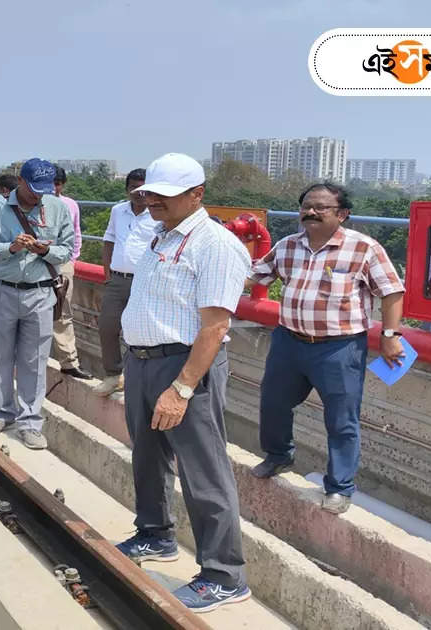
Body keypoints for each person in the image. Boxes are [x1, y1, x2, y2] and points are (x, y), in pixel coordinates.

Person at [113, 153, 251, 612]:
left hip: (184, 366)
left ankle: (224, 574)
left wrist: (183, 387)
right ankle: (155, 534)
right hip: (143, 362)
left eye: (164, 196)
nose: (153, 202)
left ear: (198, 195)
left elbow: (213, 328)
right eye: (149, 194)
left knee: (202, 470)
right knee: (147, 454)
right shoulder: (157, 235)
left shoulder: (215, 245)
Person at [250, 183, 406, 515]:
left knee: (341, 419)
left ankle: (339, 487)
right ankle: (278, 456)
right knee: (273, 402)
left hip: (339, 348)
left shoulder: (363, 248)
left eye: (322, 207)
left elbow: (391, 291)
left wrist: (390, 335)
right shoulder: (287, 246)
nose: (312, 212)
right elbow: (256, 278)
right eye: (307, 205)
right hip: (289, 341)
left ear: (342, 214)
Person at [0, 159, 74, 450]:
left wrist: (45, 249)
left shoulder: (57, 208)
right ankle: (0, 413)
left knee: (34, 360)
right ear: (20, 181)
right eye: (33, 189)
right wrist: (10, 247)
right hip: (2, 289)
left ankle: (31, 422)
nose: (38, 196)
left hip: (39, 292)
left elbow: (67, 251)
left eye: (44, 191)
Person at [94, 168, 156, 396]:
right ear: (127, 189)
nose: (139, 193)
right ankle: (113, 374)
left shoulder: (157, 215)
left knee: (140, 332)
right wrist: (107, 274)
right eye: (134, 188)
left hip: (145, 283)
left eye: (143, 188)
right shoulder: (118, 211)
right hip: (117, 280)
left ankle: (137, 379)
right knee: (107, 327)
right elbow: (109, 240)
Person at [50, 166, 90, 379]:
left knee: (62, 313)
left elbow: (76, 234)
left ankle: (69, 361)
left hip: (62, 265)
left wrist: (71, 260)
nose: (53, 187)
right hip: (34, 264)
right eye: (51, 183)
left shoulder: (70, 204)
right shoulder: (32, 204)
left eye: (57, 183)